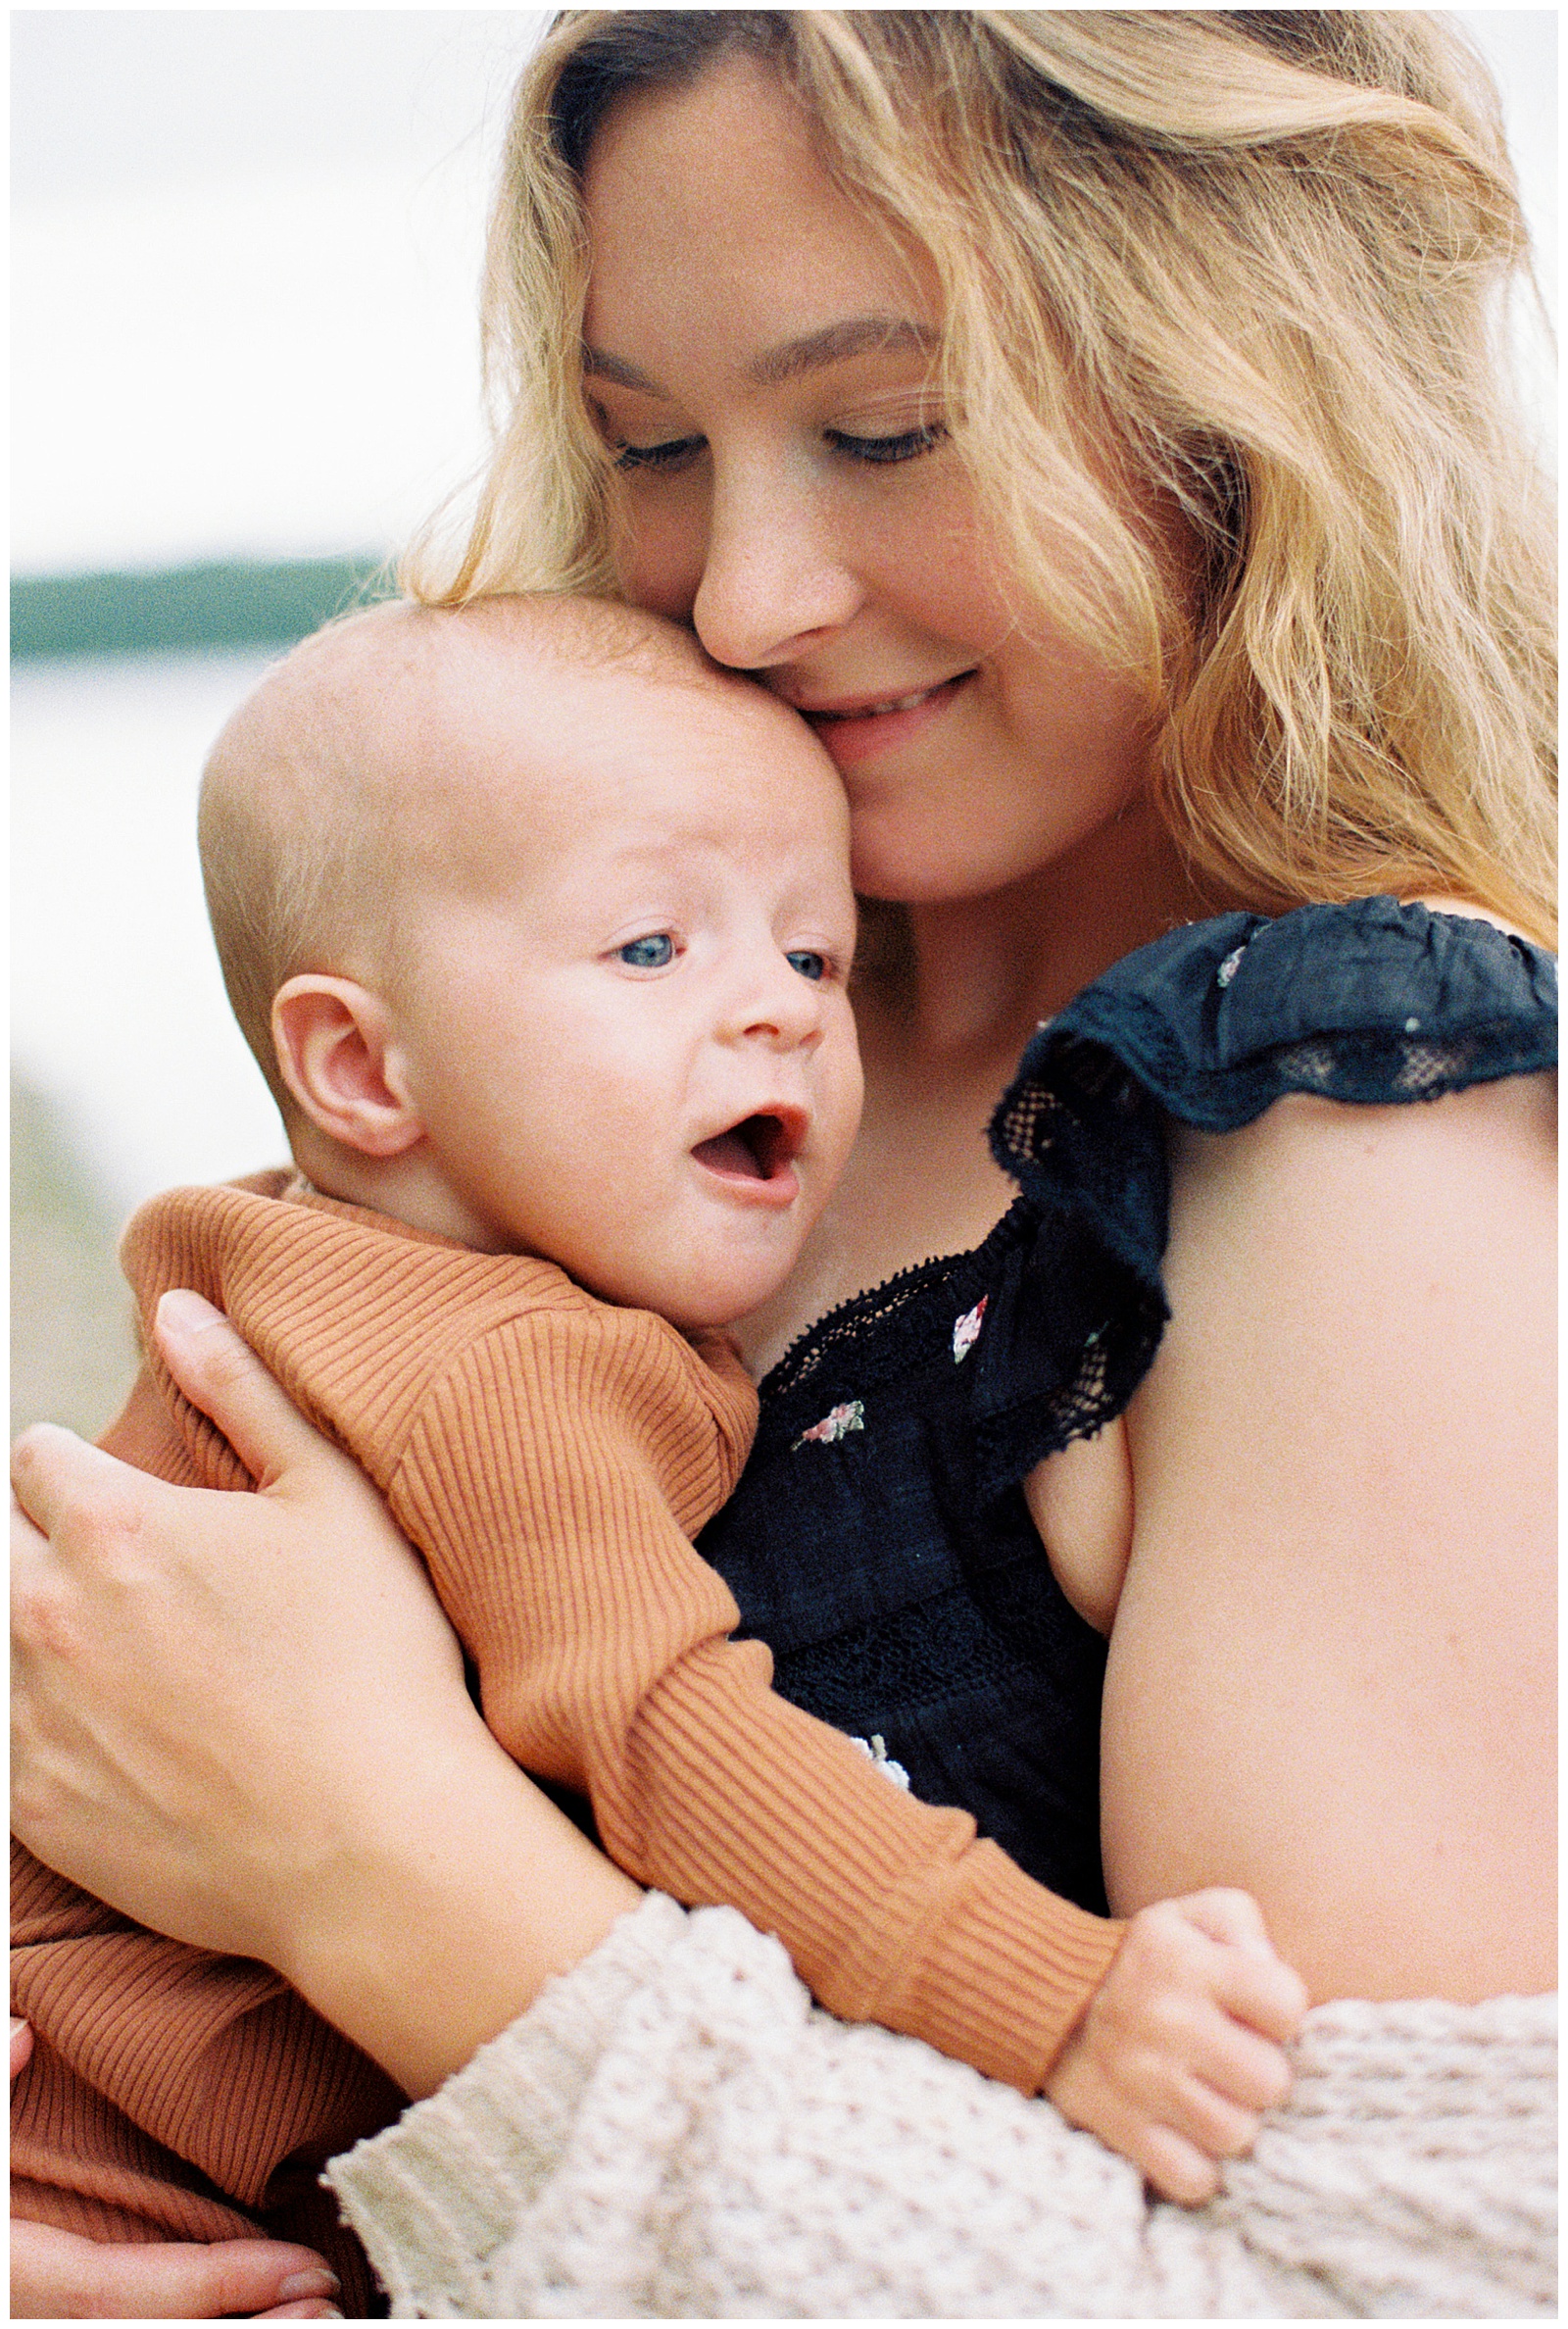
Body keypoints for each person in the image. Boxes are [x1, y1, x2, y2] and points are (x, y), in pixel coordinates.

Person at [11, 9, 1554, 2319]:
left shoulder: (1343, 1119)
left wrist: (381, 1875)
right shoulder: (634, 1024)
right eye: (644, 441)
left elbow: (1380, 2299)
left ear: (1249, 383)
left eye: (882, 426)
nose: (739, 598)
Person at [15, 588, 1307, 2309]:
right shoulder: (492, 1367)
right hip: (150, 2223)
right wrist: (1049, 1999)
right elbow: (660, 1731)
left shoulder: (332, 1275)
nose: (775, 1010)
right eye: (650, 949)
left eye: (815, 953)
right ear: (358, 1066)